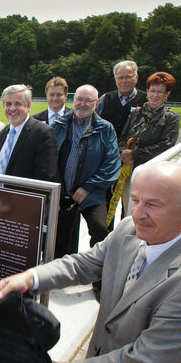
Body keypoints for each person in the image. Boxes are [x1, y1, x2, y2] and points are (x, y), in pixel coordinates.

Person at [0, 161, 181, 363]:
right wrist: (31, 277)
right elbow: (82, 265)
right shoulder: (128, 230)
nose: (138, 214)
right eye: (136, 200)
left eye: (152, 204)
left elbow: (143, 362)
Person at [51, 85, 121, 259]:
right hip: (63, 193)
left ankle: (99, 278)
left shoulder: (106, 129)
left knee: (100, 232)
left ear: (96, 103)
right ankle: (58, 276)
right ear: (73, 101)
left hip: (92, 194)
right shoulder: (58, 125)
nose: (82, 104)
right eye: (79, 99)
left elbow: (112, 163)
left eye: (88, 100)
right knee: (59, 237)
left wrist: (88, 187)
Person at [119, 72, 180, 217]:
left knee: (144, 213)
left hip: (151, 175)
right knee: (127, 210)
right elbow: (122, 137)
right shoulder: (135, 113)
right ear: (147, 92)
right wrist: (123, 152)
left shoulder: (171, 118)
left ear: (167, 94)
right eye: (152, 91)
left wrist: (134, 154)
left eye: (160, 92)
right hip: (129, 171)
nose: (155, 95)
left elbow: (166, 144)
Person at [0, 84, 58, 185]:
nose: (12, 108)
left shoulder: (43, 133)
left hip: (22, 199)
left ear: (28, 105)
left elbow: (45, 177)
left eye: (18, 104)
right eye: (8, 104)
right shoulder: (4, 132)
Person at [96, 60, 147, 145]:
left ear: (136, 77)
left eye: (128, 77)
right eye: (120, 77)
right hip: (104, 150)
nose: (124, 81)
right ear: (115, 79)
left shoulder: (146, 100)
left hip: (132, 154)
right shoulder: (105, 98)